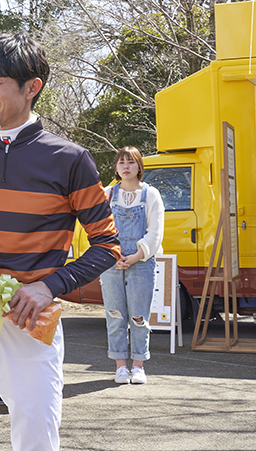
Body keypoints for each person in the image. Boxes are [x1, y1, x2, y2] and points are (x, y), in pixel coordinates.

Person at [0, 33, 120, 451]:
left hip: (31, 320)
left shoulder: (70, 159)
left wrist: (47, 287)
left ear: (32, 87)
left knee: (36, 433)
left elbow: (107, 245)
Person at [100, 147, 164, 385]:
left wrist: (137, 255)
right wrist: (113, 254)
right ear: (116, 168)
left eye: (131, 162)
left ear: (139, 166)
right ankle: (120, 366)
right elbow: (98, 229)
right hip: (111, 263)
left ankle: (138, 366)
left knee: (139, 316)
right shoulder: (107, 194)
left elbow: (155, 232)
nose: (126, 167)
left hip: (142, 262)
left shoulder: (151, 194)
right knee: (115, 315)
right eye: (121, 162)